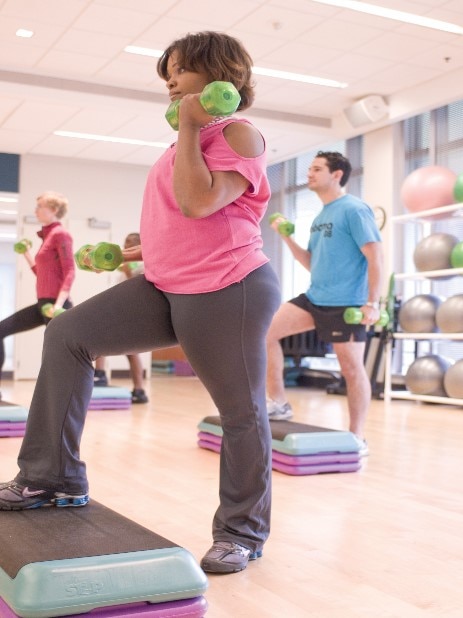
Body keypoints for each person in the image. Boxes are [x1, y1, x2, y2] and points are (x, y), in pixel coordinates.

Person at [0, 31, 281, 575]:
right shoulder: (181, 142)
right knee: (68, 335)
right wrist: (138, 248)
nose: (170, 83)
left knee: (240, 412)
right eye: (167, 73)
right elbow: (184, 216)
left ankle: (241, 533)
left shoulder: (240, 133)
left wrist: (196, 124)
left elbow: (201, 203)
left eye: (179, 70)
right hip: (166, 281)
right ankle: (52, 477)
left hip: (229, 285)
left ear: (218, 73)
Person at [266, 151, 384, 456]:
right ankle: (278, 402)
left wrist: (373, 302)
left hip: (347, 304)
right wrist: (286, 238)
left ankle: (358, 436)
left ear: (337, 175)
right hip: (315, 297)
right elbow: (312, 263)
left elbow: (376, 258)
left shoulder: (354, 210)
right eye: (309, 169)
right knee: (264, 332)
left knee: (352, 370)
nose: (309, 174)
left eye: (317, 169)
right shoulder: (320, 217)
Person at [0, 191, 75, 399]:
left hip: (56, 306)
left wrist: (58, 306)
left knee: (56, 355)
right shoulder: (47, 236)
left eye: (40, 206)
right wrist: (26, 254)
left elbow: (70, 271)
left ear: (53, 210)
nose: (36, 210)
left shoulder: (61, 234)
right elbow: (42, 274)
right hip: (42, 304)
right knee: (1, 330)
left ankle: (61, 396)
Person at [93, 232, 149, 404]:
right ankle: (100, 375)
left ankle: (139, 391)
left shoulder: (145, 265)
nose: (125, 247)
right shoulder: (125, 263)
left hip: (135, 313)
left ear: (139, 245)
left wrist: (128, 271)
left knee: (132, 353)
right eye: (125, 243)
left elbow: (141, 290)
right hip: (120, 309)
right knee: (98, 336)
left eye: (130, 244)